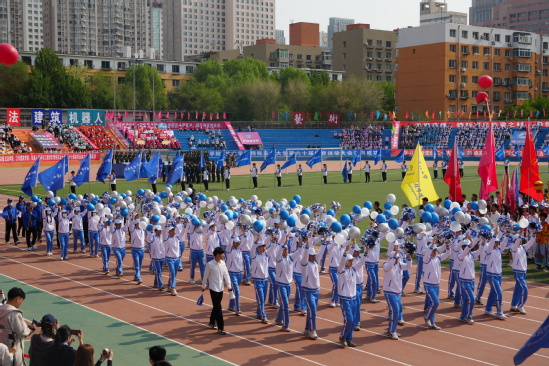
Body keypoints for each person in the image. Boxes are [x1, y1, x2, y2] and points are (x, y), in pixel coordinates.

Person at [382, 248, 412, 340]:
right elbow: (390, 264)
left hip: (397, 292)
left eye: (398, 258)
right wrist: (395, 255)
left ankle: (391, 330)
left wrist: (409, 258)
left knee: (396, 311)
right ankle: (392, 331)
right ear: (391, 258)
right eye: (396, 258)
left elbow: (408, 266)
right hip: (389, 291)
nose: (398, 260)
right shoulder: (386, 265)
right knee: (395, 310)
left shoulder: (399, 265)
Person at [202, 247, 232, 335]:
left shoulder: (223, 263)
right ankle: (221, 327)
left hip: (221, 288)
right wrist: (203, 286)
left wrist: (229, 286)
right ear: (217, 254)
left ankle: (211, 322)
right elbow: (205, 276)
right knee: (219, 308)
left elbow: (226, 274)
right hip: (213, 288)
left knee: (216, 306)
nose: (223, 255)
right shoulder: (210, 264)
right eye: (222, 254)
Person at [422, 239, 450, 330]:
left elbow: (448, 254)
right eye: (432, 251)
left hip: (437, 285)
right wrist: (433, 244)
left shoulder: (438, 258)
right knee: (436, 302)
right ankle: (427, 317)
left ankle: (432, 322)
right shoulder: (426, 259)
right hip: (428, 284)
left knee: (432, 304)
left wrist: (447, 245)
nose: (434, 252)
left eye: (435, 251)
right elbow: (427, 254)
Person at [0, 287, 31, 366]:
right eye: (21, 301)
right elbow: (22, 332)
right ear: (17, 299)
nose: (21, 303)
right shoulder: (14, 314)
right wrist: (29, 330)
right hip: (12, 351)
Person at [509, 234, 536, 314]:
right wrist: (520, 234)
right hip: (517, 271)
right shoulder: (513, 248)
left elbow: (531, 242)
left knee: (518, 288)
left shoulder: (523, 247)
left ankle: (513, 305)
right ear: (515, 240)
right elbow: (517, 243)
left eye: (520, 239)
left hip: (523, 271)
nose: (520, 240)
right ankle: (520, 305)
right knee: (524, 289)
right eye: (518, 239)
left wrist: (534, 234)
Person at [301, 245, 320, 340]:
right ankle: (313, 330)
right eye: (312, 255)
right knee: (313, 310)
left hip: (316, 290)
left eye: (314, 255)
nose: (314, 256)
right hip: (308, 290)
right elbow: (304, 257)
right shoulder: (305, 264)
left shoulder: (316, 262)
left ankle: (307, 328)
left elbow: (321, 253)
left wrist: (324, 241)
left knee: (311, 311)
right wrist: (307, 247)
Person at [226, 237, 243, 315]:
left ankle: (231, 305)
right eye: (236, 242)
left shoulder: (239, 250)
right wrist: (232, 236)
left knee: (233, 290)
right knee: (237, 291)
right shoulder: (229, 250)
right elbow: (229, 244)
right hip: (232, 273)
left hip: (239, 273)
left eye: (238, 242)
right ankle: (237, 308)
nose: (237, 244)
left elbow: (245, 242)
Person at [164, 226, 181, 296]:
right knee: (172, 273)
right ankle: (173, 288)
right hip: (169, 259)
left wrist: (185, 225)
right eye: (171, 231)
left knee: (174, 274)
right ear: (169, 232)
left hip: (177, 259)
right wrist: (165, 225)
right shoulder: (167, 238)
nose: (173, 232)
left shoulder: (177, 238)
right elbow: (164, 232)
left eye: (174, 230)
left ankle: (169, 285)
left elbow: (182, 232)